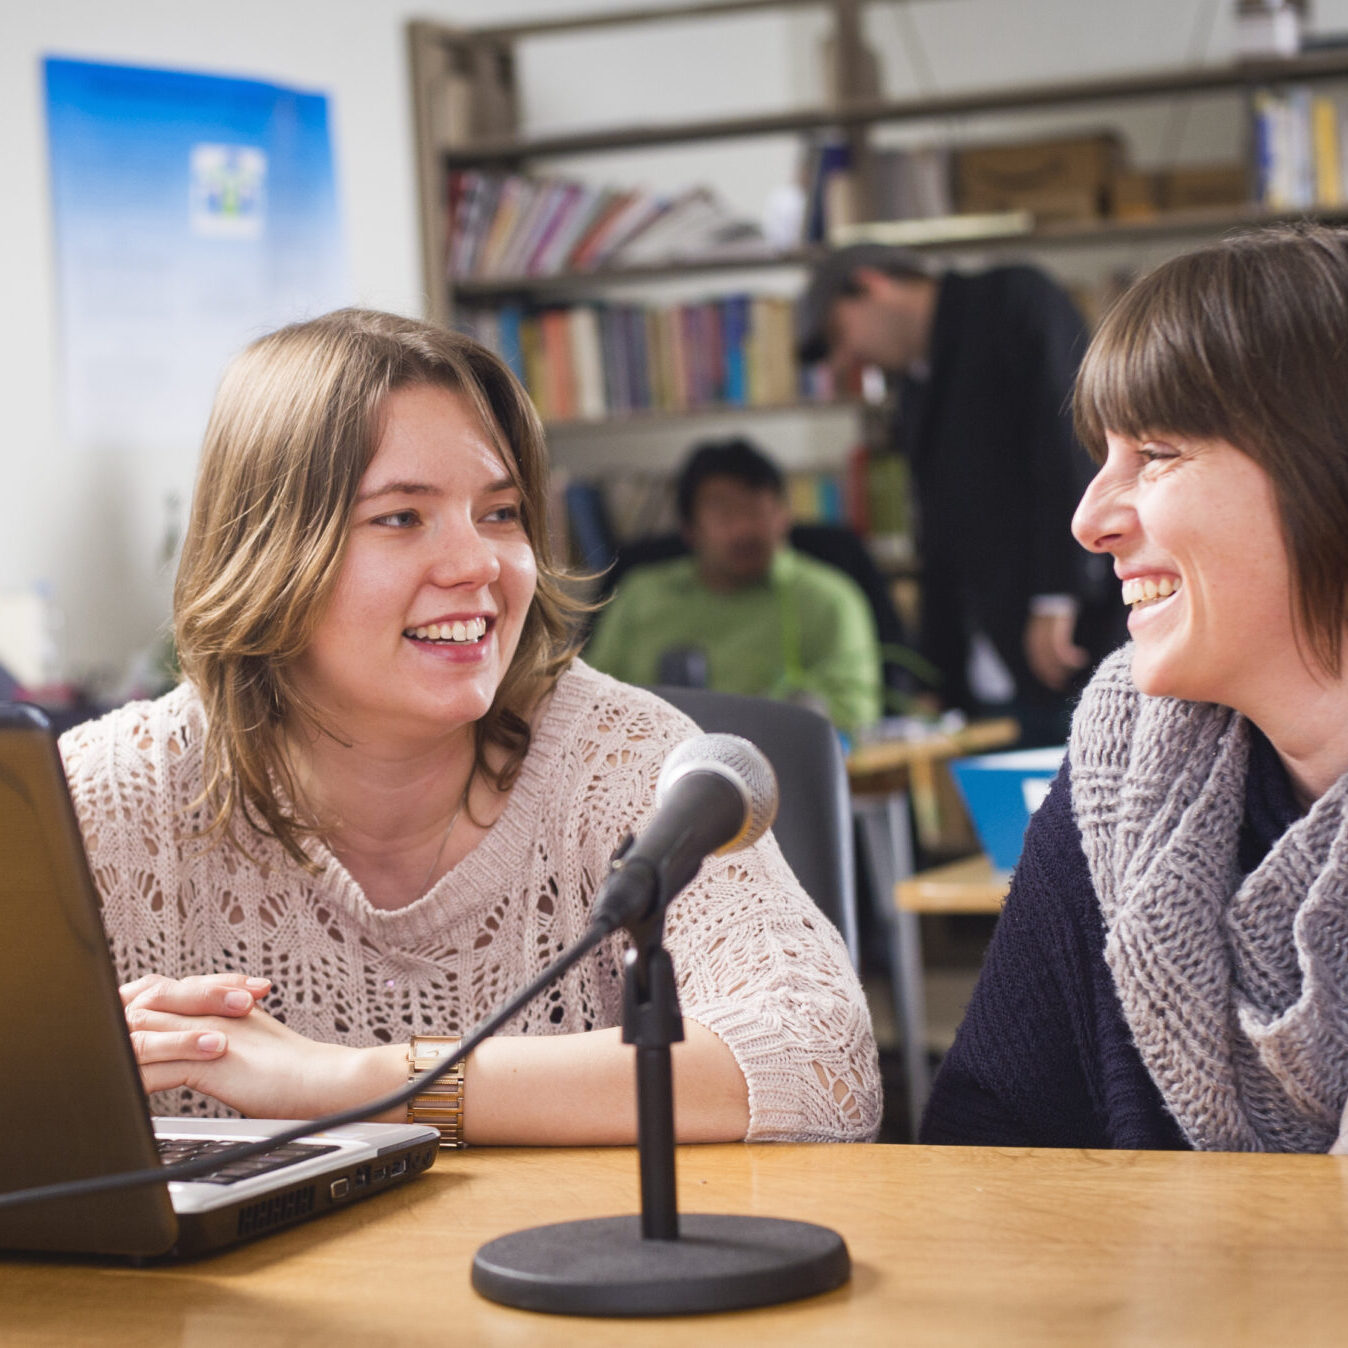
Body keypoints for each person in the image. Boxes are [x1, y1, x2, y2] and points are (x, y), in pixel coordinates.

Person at [58, 309, 881, 1146]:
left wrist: (344, 1083)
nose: (481, 565)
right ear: (269, 549)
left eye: (500, 513)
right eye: (401, 518)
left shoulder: (623, 760)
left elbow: (823, 1067)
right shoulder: (106, 792)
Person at [920, 224, 1348, 1152]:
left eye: (1156, 454)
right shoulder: (1132, 760)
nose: (1089, 520)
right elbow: (988, 1149)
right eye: (1102, 456)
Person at [796, 243, 1125, 746]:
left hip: (1081, 639)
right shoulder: (914, 391)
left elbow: (1071, 446)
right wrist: (936, 673)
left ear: (871, 283)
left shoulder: (1015, 301)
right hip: (996, 668)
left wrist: (1057, 596)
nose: (846, 362)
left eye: (839, 336)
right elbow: (941, 535)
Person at [584, 437, 883, 735]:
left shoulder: (829, 599)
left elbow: (854, 713)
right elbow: (590, 701)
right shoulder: (640, 594)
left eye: (756, 511)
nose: (743, 530)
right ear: (690, 529)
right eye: (725, 515)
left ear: (783, 515)